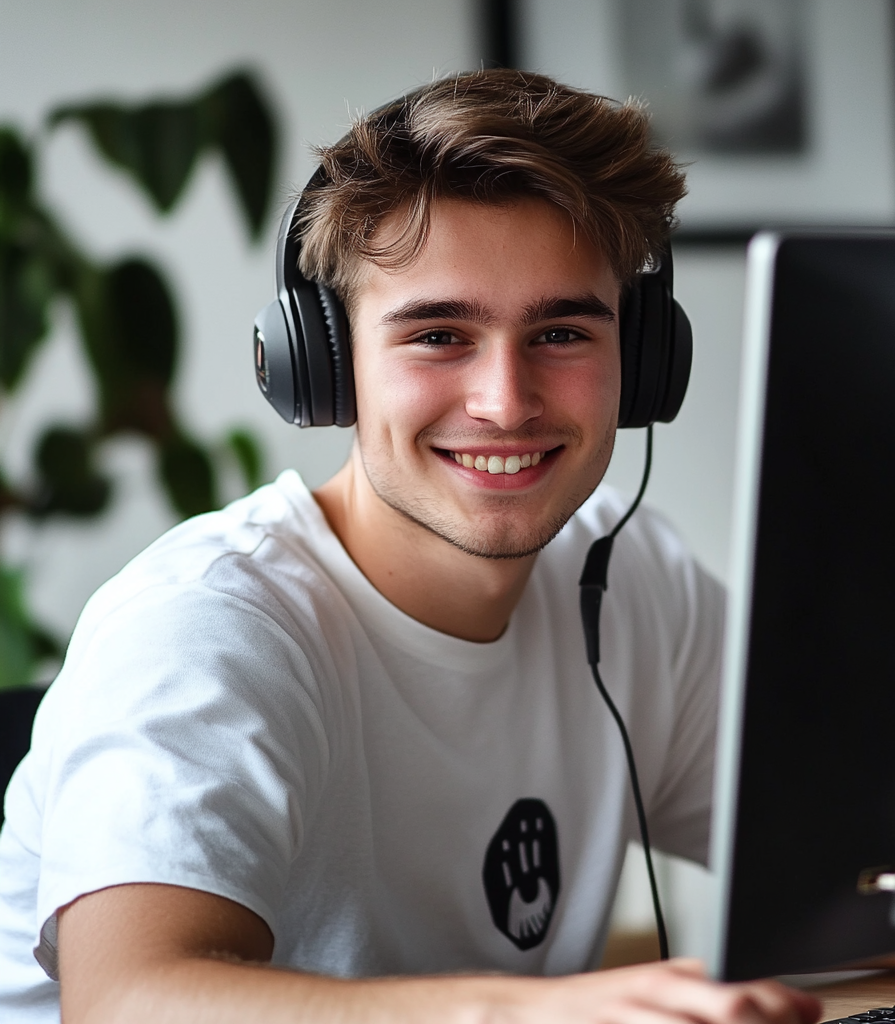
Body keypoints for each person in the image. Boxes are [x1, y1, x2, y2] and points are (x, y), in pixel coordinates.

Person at [0, 68, 826, 1024]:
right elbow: (129, 1001)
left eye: (561, 331)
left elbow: (873, 879)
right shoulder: (207, 627)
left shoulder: (632, 579)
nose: (506, 402)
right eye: (439, 335)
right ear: (328, 368)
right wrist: (528, 1014)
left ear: (641, 365)